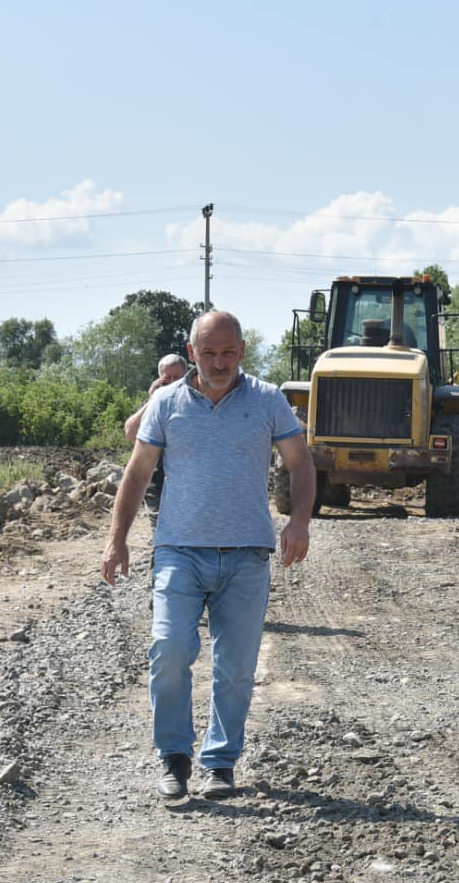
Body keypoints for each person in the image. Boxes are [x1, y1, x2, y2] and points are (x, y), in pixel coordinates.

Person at [102, 312, 314, 801]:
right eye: (209, 353)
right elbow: (136, 475)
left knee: (236, 667)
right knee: (170, 651)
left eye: (228, 352)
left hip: (246, 556)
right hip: (179, 552)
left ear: (242, 350)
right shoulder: (166, 404)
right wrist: (118, 538)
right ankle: (174, 757)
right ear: (192, 352)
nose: (219, 363)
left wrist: (299, 520)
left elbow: (300, 462)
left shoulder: (267, 401)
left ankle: (220, 762)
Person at [124, 353, 189, 513]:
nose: (172, 382)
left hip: (187, 484)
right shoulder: (152, 405)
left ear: (186, 376)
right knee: (159, 535)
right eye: (167, 378)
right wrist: (153, 400)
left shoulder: (194, 404)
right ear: (159, 378)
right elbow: (130, 433)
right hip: (156, 485)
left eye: (177, 377)